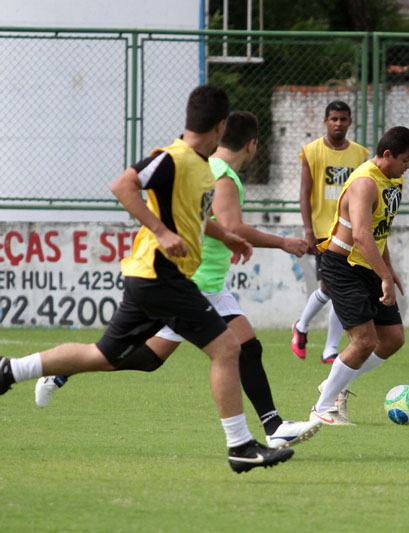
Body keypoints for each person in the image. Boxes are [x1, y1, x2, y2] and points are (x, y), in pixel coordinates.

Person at [0, 86, 293, 474]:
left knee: (104, 355)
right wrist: (160, 231)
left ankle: (10, 371)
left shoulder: (203, 168)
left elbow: (194, 218)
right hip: (160, 275)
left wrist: (226, 235)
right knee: (227, 349)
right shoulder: (172, 158)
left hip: (153, 278)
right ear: (221, 126)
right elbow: (123, 185)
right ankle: (240, 446)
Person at [309, 126, 409, 425]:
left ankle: (335, 385)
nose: (408, 166)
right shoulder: (365, 183)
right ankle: (322, 407)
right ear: (388, 155)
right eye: (406, 159)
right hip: (343, 265)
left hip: (368, 264)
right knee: (364, 340)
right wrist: (384, 277)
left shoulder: (393, 181)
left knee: (393, 338)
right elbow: (360, 236)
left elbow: (379, 232)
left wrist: (389, 269)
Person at [292, 101, 369, 363]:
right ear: (325, 121)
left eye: (343, 119)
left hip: (348, 231)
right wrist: (308, 231)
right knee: (328, 288)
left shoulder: (360, 155)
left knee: (340, 289)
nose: (338, 123)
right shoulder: (311, 152)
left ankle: (329, 350)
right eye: (334, 119)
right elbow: (304, 194)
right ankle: (302, 326)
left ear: (350, 122)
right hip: (324, 232)